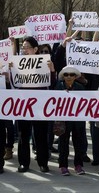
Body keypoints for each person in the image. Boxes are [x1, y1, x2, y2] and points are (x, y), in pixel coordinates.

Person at [10, 36, 56, 173]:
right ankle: (24, 163)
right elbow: (15, 83)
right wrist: (13, 70)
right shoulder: (19, 62)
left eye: (27, 47)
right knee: (23, 134)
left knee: (40, 134)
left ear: (35, 49)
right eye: (23, 47)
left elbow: (52, 85)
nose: (24, 50)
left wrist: (52, 70)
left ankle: (43, 162)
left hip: (40, 104)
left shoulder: (44, 63)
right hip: (24, 103)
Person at [55, 65, 86, 176]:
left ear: (75, 76)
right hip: (63, 120)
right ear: (63, 76)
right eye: (66, 75)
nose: (68, 77)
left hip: (77, 120)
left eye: (71, 74)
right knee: (63, 143)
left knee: (78, 143)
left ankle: (78, 165)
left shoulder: (80, 88)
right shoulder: (58, 87)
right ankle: (63, 165)